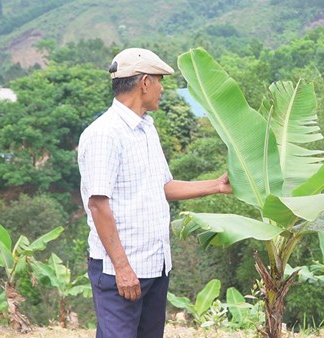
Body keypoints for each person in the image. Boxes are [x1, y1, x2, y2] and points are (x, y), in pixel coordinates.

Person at [77, 48, 232, 338]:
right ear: (144, 83)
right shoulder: (105, 134)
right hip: (119, 271)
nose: (162, 89)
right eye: (160, 81)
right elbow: (98, 205)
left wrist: (216, 185)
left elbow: (162, 187)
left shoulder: (147, 128)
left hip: (155, 265)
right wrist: (123, 269)